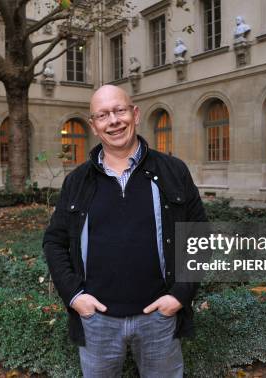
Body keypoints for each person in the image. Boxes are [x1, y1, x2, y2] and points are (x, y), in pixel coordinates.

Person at [43, 85, 206, 377]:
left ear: (135, 113)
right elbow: (54, 241)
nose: (113, 121)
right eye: (103, 115)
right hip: (97, 322)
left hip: (159, 319)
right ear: (94, 126)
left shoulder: (173, 171)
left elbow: (199, 235)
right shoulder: (77, 181)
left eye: (119, 110)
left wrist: (180, 295)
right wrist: (74, 297)